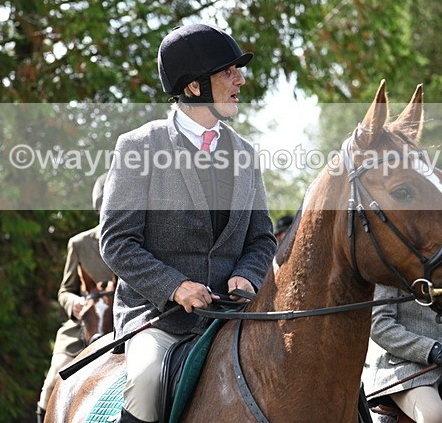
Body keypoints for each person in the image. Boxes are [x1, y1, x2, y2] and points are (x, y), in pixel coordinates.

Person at [100, 23, 277, 423]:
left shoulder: (246, 154)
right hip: (160, 319)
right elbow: (116, 242)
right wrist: (175, 287)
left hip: (235, 317)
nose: (240, 80)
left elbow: (262, 239)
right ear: (195, 87)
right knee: (146, 384)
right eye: (228, 72)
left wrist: (247, 275)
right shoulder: (139, 146)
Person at [36, 174, 115, 422]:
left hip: (121, 325)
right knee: (53, 381)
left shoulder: (137, 241)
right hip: (83, 326)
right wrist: (75, 303)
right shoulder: (80, 244)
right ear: (98, 207)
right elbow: (65, 290)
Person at [365, 283, 442, 423]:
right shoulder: (387, 271)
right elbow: (379, 326)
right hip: (405, 369)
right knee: (433, 417)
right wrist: (431, 350)